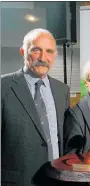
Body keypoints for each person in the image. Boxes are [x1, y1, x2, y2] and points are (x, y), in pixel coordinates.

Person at [1, 28, 70, 186]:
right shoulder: (3, 87)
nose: (43, 57)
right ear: (22, 51)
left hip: (55, 179)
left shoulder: (62, 90)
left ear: (55, 55)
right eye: (36, 50)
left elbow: (64, 138)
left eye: (49, 51)